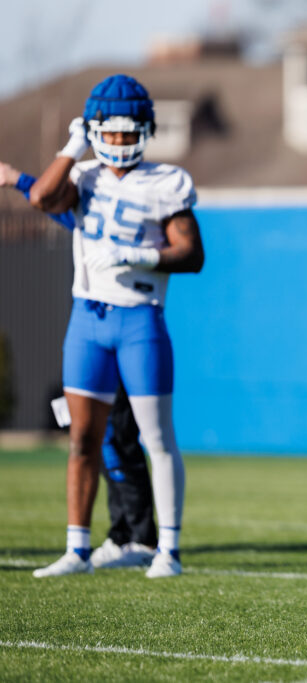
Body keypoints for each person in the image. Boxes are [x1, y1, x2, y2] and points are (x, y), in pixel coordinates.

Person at [26, 74, 203, 579]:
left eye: (130, 133)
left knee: (157, 438)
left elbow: (192, 254)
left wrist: (139, 255)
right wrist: (73, 144)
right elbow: (41, 197)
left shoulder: (165, 180)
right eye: (112, 133)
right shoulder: (81, 177)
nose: (121, 142)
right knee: (82, 439)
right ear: (94, 130)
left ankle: (167, 549)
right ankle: (76, 548)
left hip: (139, 319)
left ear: (145, 131)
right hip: (88, 318)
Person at [1, 162, 158, 569]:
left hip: (124, 331)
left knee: (118, 436)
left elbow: (56, 204)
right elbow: (56, 205)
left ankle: (138, 537)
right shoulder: (88, 216)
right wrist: (18, 181)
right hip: (93, 334)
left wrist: (20, 179)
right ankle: (122, 534)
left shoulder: (130, 215)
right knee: (93, 437)